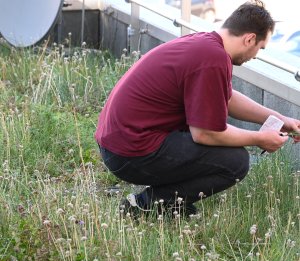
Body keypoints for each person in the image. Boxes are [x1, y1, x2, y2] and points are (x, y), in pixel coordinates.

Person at [95, 0, 300, 217]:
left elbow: (227, 98)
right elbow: (206, 134)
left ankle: (167, 202)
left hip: (119, 144)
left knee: (227, 153)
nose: (256, 55)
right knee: (235, 162)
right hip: (130, 154)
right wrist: (260, 139)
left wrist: (281, 119)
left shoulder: (205, 44)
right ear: (249, 38)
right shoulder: (213, 58)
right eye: (260, 48)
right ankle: (148, 205)